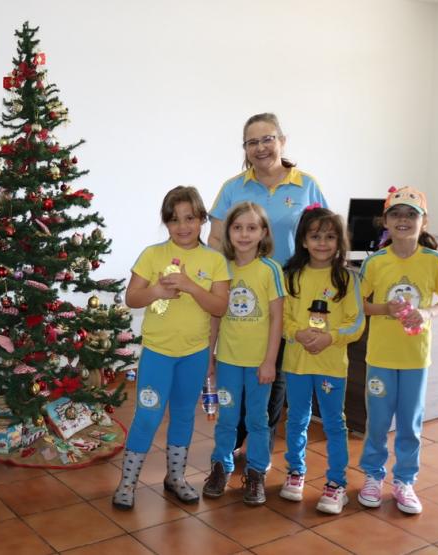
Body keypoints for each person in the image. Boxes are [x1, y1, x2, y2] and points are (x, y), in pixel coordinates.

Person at [209, 113, 328, 464]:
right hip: (242, 294)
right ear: (244, 148)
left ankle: (256, 442)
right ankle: (238, 436)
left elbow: (321, 236)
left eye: (267, 139)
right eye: (252, 142)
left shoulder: (306, 184)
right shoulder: (233, 187)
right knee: (238, 364)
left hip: (290, 294)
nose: (260, 147)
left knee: (273, 370)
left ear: (282, 140)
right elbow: (216, 238)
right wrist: (220, 285)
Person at [112, 186, 230, 509]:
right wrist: (155, 293)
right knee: (147, 416)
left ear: (202, 219)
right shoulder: (153, 255)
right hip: (157, 354)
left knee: (182, 416)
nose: (183, 226)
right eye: (174, 219)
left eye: (190, 218)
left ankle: (175, 477)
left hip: (193, 355)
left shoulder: (214, 261)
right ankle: (127, 483)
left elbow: (220, 307)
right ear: (166, 223)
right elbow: (131, 298)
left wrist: (191, 286)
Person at [357, 186, 438, 514]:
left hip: (416, 358)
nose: (403, 220)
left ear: (423, 222)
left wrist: (427, 312)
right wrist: (385, 308)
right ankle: (373, 476)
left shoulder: (433, 261)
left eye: (411, 215)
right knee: (378, 421)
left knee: (411, 423)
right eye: (396, 214)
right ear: (385, 220)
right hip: (381, 358)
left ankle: (404, 481)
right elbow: (362, 305)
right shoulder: (374, 263)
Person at [279, 206, 364, 514]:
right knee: (297, 419)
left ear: (339, 242)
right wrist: (297, 333)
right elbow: (283, 317)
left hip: (331, 367)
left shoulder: (348, 279)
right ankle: (295, 472)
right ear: (303, 240)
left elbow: (356, 323)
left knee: (333, 423)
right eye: (315, 236)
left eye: (330, 237)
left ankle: (336, 483)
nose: (323, 243)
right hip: (297, 363)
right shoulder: (291, 277)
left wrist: (331, 337)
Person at [202, 202, 284, 506]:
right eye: (237, 228)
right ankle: (221, 467)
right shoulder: (221, 269)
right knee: (227, 418)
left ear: (263, 232)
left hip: (258, 364)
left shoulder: (270, 270)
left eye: (252, 228)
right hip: (228, 361)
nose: (244, 234)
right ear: (228, 232)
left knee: (257, 420)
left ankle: (255, 473)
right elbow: (215, 315)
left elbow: (277, 318)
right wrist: (210, 355)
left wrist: (269, 361)